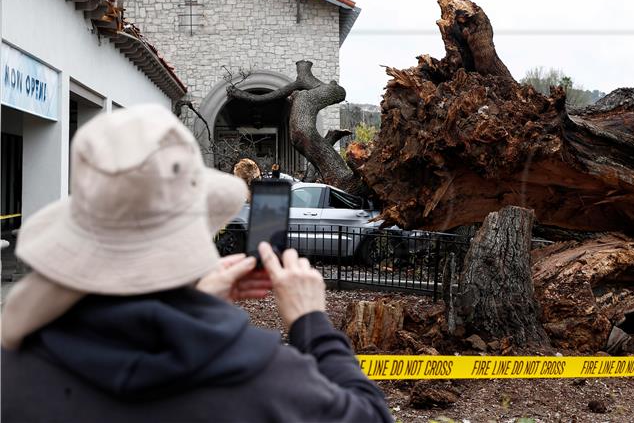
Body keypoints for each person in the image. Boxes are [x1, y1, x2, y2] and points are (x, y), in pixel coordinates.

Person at [1, 104, 393, 423]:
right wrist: (311, 322)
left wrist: (196, 303)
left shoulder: (13, 372)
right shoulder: (267, 381)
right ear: (189, 232)